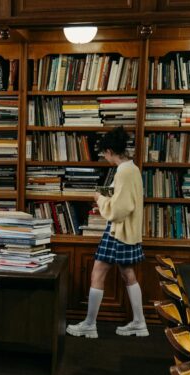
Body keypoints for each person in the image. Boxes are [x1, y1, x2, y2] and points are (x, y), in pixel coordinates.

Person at [67, 127, 147, 339]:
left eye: (104, 153)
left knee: (97, 273)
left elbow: (119, 209)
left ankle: (89, 325)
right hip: (127, 232)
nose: (104, 157)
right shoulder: (132, 169)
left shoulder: (123, 172)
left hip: (117, 232)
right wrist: (104, 194)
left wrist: (99, 199)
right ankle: (140, 323)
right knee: (128, 274)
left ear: (110, 151)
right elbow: (121, 195)